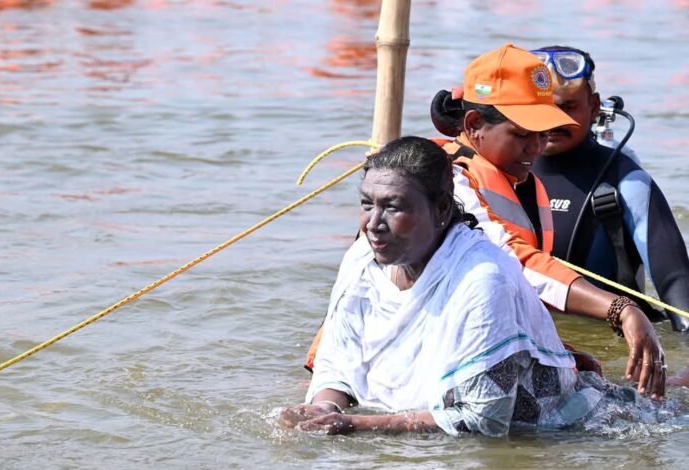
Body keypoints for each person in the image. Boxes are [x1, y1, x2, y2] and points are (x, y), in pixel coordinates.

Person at [282, 137, 616, 436]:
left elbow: (486, 418)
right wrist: (326, 407)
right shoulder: (361, 259)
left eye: (392, 207)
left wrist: (359, 425)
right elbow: (338, 362)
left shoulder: (483, 279)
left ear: (442, 208)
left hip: (570, 428)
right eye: (367, 204)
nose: (372, 224)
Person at [425, 43, 666, 399]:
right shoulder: (447, 181)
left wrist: (559, 351)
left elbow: (517, 299)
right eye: (522, 134)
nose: (536, 148)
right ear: (475, 125)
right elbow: (516, 262)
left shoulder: (522, 181)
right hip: (416, 357)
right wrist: (621, 308)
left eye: (542, 132)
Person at [529, 45, 689, 332]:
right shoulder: (492, 173)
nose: (552, 120)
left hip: (601, 341)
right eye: (542, 108)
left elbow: (677, 286)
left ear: (593, 108)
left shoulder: (627, 183)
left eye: (567, 107)